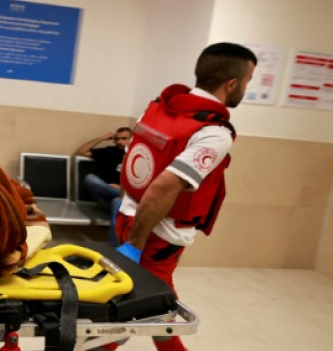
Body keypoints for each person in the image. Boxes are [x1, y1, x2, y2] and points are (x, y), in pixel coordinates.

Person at [112, 42, 257, 351]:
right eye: (248, 81)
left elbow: (130, 166)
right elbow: (163, 187)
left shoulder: (157, 108)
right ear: (231, 83)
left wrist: (126, 215)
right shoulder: (214, 131)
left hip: (129, 220)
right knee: (146, 311)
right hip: (157, 236)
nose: (247, 88)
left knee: (151, 306)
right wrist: (135, 247)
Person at [74, 126, 132, 246]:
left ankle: (113, 247)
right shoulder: (110, 151)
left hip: (122, 201)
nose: (120, 142)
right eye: (118, 139)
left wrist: (121, 189)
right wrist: (101, 138)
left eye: (124, 138)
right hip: (104, 197)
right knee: (90, 179)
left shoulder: (136, 157)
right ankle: (121, 194)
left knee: (117, 201)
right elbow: (81, 151)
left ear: (132, 139)